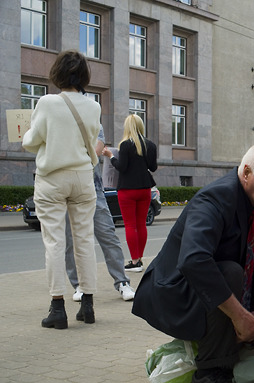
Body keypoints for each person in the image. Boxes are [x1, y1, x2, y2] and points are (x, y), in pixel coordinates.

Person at [132, 143, 254, 383]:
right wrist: (240, 316)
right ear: (247, 172)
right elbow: (194, 261)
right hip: (177, 293)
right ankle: (209, 374)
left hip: (230, 292)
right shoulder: (215, 199)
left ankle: (234, 348)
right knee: (229, 271)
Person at [22, 50, 101, 329]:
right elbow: (91, 140)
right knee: (84, 240)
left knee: (55, 242)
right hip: (82, 176)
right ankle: (88, 305)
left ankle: (58, 308)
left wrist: (26, 133)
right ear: (84, 76)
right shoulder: (93, 106)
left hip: (52, 177)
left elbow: (33, 141)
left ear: (57, 73)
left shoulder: (46, 102)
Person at [66, 125, 135, 302]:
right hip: (65, 188)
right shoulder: (58, 115)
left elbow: (97, 149)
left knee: (107, 234)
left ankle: (122, 282)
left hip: (92, 188)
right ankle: (79, 285)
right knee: (70, 240)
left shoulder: (91, 118)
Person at [110, 114, 157, 273]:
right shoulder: (150, 145)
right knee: (141, 224)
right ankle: (140, 259)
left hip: (127, 190)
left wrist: (110, 157)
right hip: (145, 189)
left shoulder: (125, 145)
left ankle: (135, 261)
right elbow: (153, 167)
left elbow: (121, 167)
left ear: (127, 127)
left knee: (130, 225)